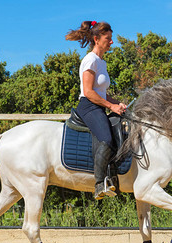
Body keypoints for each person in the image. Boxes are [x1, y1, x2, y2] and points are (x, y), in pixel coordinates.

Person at [66, 21, 127, 200]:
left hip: (98, 105)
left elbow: (102, 93)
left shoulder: (102, 62)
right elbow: (89, 92)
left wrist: (118, 103)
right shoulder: (90, 60)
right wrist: (111, 106)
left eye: (111, 38)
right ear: (96, 39)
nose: (111, 42)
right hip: (88, 106)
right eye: (108, 39)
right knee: (106, 139)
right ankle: (100, 184)